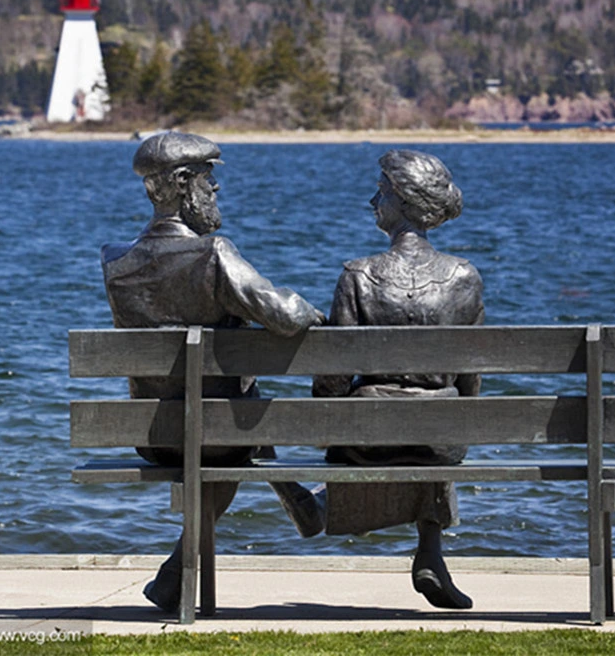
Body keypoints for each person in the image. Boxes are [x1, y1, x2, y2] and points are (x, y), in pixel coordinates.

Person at [101, 131, 326, 613]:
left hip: (153, 434)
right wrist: (309, 309)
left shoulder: (114, 263)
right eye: (210, 180)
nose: (216, 192)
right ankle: (296, 500)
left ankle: (179, 571)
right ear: (183, 183)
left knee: (225, 408)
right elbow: (283, 314)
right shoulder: (214, 254)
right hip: (217, 433)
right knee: (231, 417)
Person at [313, 149, 484, 610]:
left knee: (383, 420)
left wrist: (320, 417)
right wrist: (462, 415)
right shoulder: (466, 278)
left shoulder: (358, 276)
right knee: (437, 419)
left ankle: (322, 506)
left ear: (405, 201)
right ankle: (430, 552)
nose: (373, 199)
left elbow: (330, 379)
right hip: (440, 434)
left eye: (382, 191)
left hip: (370, 433)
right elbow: (470, 379)